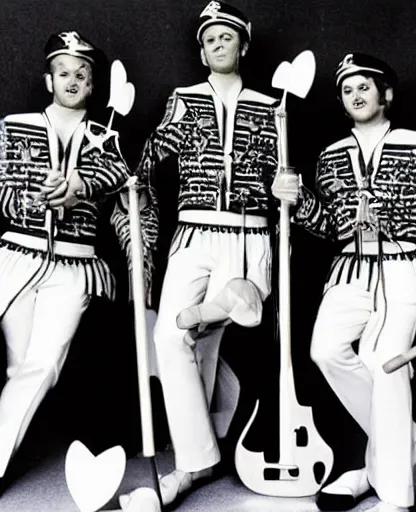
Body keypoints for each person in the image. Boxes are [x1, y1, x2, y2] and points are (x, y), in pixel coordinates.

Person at [271, 52, 416, 512]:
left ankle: (393, 493)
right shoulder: (331, 155)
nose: (356, 95)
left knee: (384, 363)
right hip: (350, 268)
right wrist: (295, 200)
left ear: (386, 94)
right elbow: (330, 225)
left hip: (404, 266)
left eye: (364, 86)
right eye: (347, 89)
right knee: (325, 350)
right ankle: (409, 441)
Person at [119, 2, 279, 509]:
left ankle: (194, 461)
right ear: (201, 49)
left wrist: (285, 185)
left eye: (226, 37)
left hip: (247, 231)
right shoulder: (183, 98)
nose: (217, 44)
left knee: (207, 336)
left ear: (243, 45)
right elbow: (153, 152)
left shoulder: (270, 103)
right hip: (193, 231)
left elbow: (282, 171)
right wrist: (136, 176)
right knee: (173, 334)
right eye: (209, 38)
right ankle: (199, 459)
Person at [0, 31, 132, 493]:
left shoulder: (106, 136)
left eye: (82, 74)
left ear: (93, 86)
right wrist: (32, 202)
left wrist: (76, 187)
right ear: (47, 79)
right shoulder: (13, 125)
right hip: (16, 256)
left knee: (42, 366)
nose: (73, 80)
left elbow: (119, 175)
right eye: (64, 72)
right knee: (19, 367)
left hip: (73, 267)